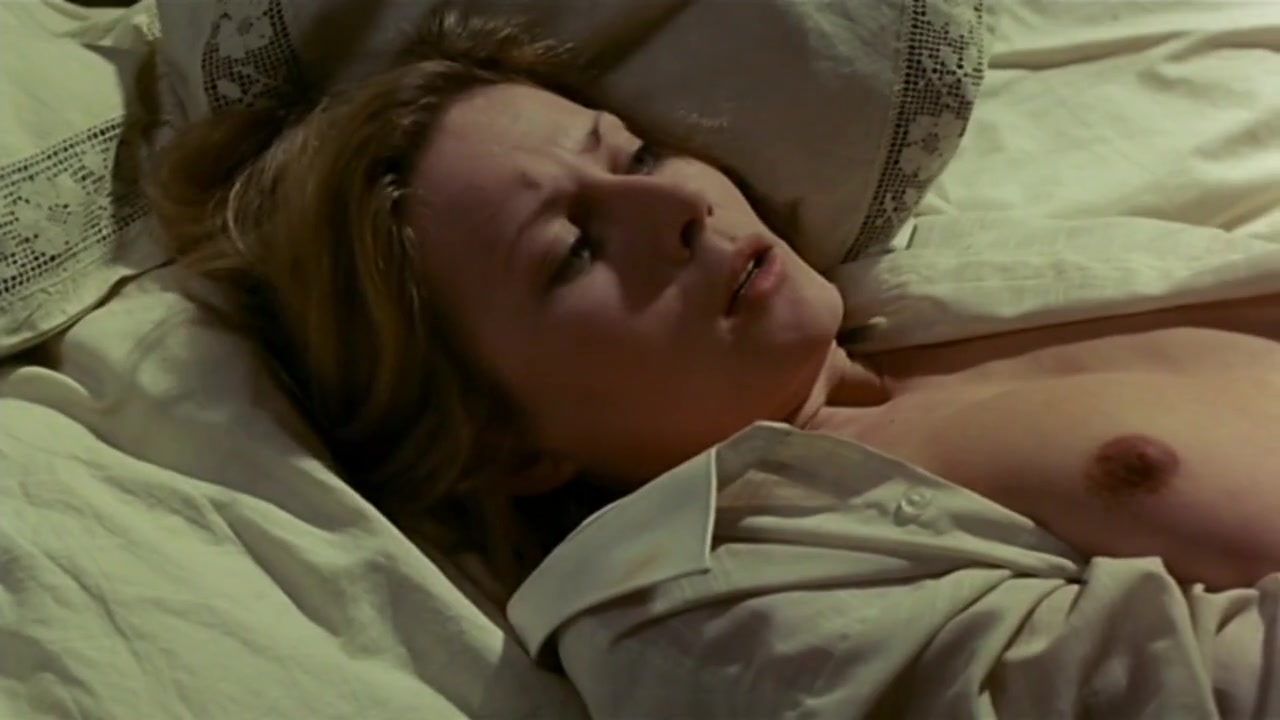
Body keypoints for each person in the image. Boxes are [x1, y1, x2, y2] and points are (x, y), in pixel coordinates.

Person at [148, 6, 1277, 714]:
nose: (676, 207)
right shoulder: (719, 620)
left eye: (634, 155)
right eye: (574, 248)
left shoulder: (905, 293)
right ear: (501, 439)